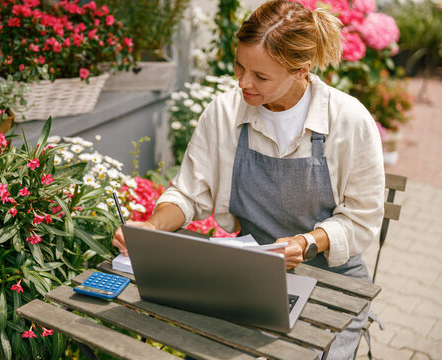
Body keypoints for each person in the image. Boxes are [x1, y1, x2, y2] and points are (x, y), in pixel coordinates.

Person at [113, 0, 385, 358]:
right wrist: (153, 227)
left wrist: (306, 244)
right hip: (247, 275)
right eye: (239, 66)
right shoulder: (225, 112)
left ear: (301, 70)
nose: (243, 82)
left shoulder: (349, 120)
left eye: (261, 76)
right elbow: (190, 193)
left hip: (333, 280)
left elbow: (362, 218)